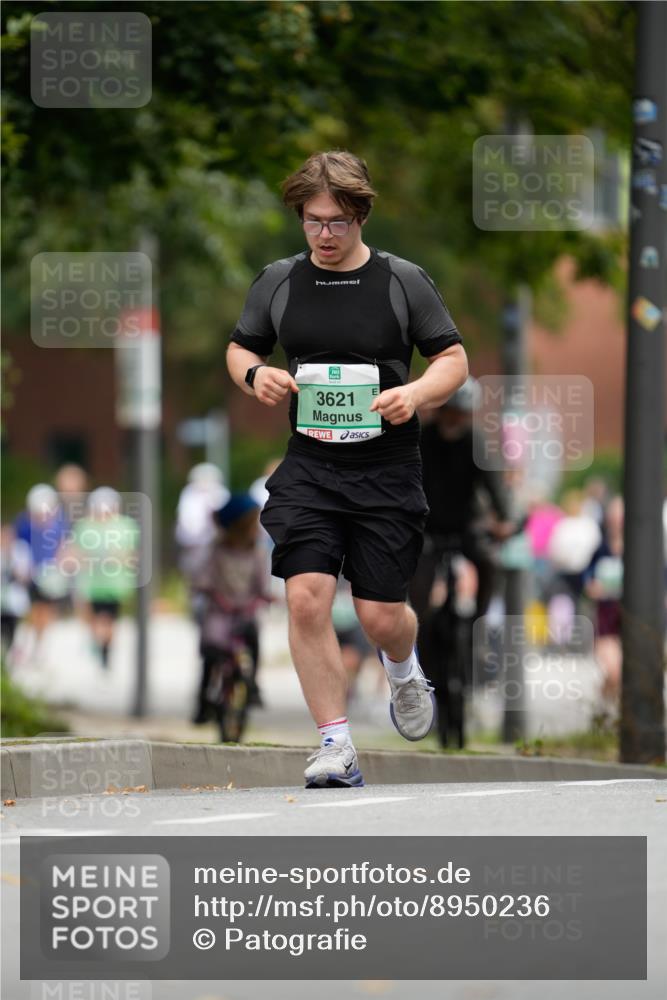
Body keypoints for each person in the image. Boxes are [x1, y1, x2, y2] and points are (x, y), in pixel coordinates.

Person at [226, 150, 468, 788]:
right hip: (310, 463)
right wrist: (257, 375)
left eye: (336, 221)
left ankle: (403, 666)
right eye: (312, 221)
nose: (324, 234)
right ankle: (335, 745)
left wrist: (414, 394)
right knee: (305, 596)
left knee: (380, 614)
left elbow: (452, 359)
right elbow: (241, 346)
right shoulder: (279, 280)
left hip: (386, 467)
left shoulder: (401, 280)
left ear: (360, 215)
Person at [409, 376, 513, 625]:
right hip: (429, 527)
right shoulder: (422, 441)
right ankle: (420, 634)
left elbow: (495, 486)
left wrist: (505, 519)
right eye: (451, 412)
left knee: (489, 563)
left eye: (462, 413)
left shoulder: (476, 442)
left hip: (466, 524)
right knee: (418, 581)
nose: (456, 419)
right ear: (440, 410)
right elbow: (406, 484)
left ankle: (480, 622)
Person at [191, 493, 271, 725]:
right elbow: (204, 576)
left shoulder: (256, 553)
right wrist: (205, 589)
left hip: (244, 610)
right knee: (211, 652)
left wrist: (264, 596)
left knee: (253, 639)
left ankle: (252, 684)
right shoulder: (217, 551)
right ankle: (203, 701)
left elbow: (260, 582)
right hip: (220, 611)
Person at [70, 488, 140, 667]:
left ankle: (105, 652)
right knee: (93, 618)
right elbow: (77, 552)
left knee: (109, 619)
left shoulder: (125, 526)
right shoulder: (84, 526)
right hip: (92, 583)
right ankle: (99, 645)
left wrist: (117, 558)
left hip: (114, 584)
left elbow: (131, 553)